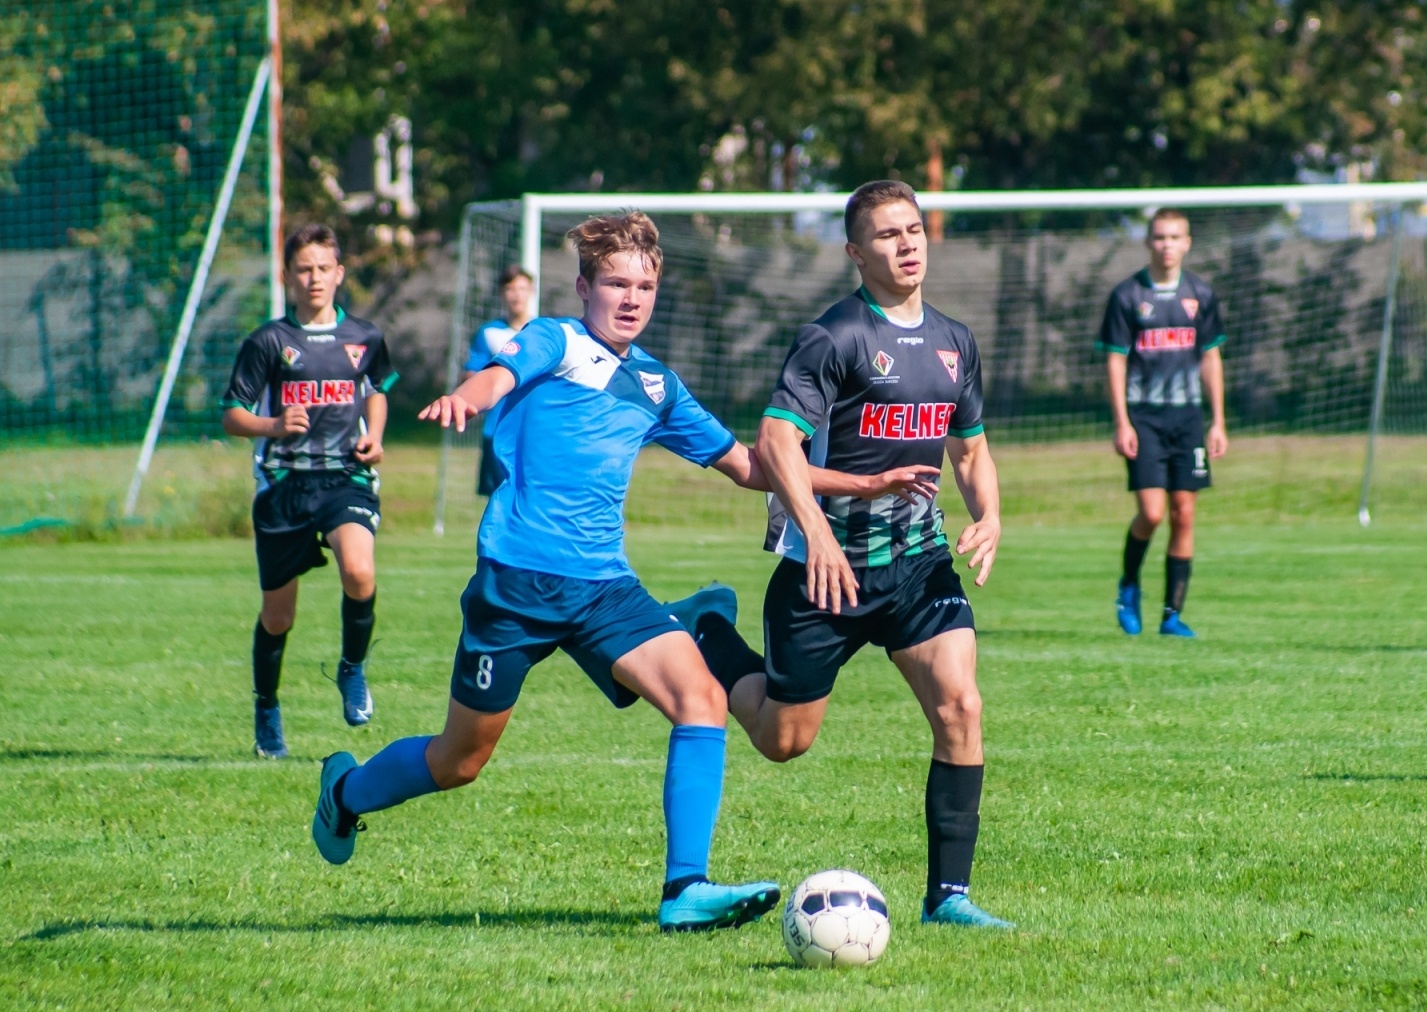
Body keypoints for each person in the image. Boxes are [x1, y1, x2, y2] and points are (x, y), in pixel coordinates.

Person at [308, 211, 922, 931]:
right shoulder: (555, 340)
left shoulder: (657, 385)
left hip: (605, 587)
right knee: (459, 761)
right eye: (617, 284)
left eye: (646, 286)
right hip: (517, 586)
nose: (632, 299)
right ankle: (345, 794)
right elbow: (497, 378)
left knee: (700, 697)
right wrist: (461, 400)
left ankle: (684, 890)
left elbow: (752, 467)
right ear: (584, 287)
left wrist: (859, 484)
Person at [677, 180, 1013, 929]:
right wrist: (821, 534)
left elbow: (971, 450)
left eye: (916, 229)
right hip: (822, 571)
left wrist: (989, 513)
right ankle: (706, 633)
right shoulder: (835, 336)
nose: (908, 244)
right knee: (783, 741)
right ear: (856, 253)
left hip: (919, 565)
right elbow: (775, 443)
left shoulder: (956, 341)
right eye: (889, 235)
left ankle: (948, 897)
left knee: (962, 706)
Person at [221, 222, 396, 759]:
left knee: (359, 571)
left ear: (339, 274)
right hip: (284, 486)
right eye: (304, 269)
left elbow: (378, 390)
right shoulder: (269, 341)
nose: (314, 278)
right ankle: (267, 709)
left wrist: (377, 439)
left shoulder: (363, 338)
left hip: (344, 477)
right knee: (279, 616)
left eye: (323, 268)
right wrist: (273, 426)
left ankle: (351, 668)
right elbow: (232, 415)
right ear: (288, 276)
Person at [1097, 208, 1227, 638]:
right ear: (1148, 242)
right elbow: (1115, 361)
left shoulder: (1200, 294)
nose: (1167, 245)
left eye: (1175, 237)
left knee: (1184, 513)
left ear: (1187, 243)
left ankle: (1172, 615)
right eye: (1159, 237)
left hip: (1188, 418)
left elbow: (1210, 357)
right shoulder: (1128, 296)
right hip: (1145, 417)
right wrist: (1122, 422)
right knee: (1152, 513)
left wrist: (1218, 421)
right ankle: (1128, 586)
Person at [462, 265, 536, 496]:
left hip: (535, 430)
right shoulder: (490, 333)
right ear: (502, 293)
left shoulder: (542, 333)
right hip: (498, 430)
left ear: (531, 291)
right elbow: (472, 374)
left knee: (532, 498)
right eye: (510, 288)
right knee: (499, 498)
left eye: (522, 288)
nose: (516, 294)